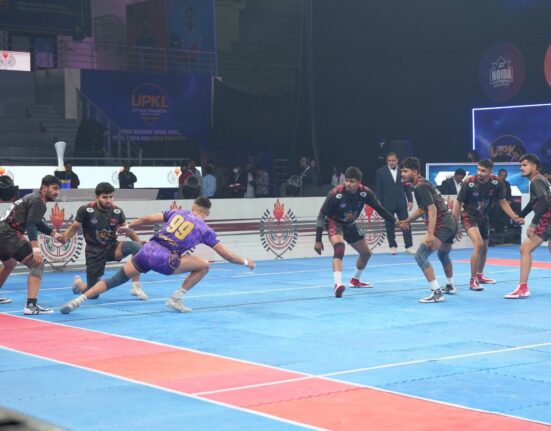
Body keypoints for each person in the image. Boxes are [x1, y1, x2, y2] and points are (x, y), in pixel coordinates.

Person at [60, 196, 255, 314]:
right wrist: (246, 261)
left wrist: (128, 227)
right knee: (204, 265)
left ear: (193, 207)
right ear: (207, 213)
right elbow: (226, 255)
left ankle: (78, 300)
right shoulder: (205, 229)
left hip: (147, 250)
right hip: (165, 259)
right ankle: (176, 299)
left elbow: (146, 218)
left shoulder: (176, 213)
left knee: (114, 280)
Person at [314, 166, 397, 298]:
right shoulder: (335, 193)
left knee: (366, 254)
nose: (348, 184)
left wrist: (395, 221)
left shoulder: (366, 193)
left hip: (350, 224)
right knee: (339, 248)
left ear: (359, 182)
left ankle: (355, 280)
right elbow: (321, 216)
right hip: (334, 223)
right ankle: (338, 284)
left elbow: (380, 209)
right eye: (347, 180)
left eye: (352, 181)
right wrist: (318, 240)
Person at [61, 182, 148, 300]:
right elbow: (74, 227)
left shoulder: (117, 211)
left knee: (136, 247)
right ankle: (79, 284)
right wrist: (64, 239)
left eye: (111, 197)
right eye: (105, 197)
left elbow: (128, 230)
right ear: (97, 197)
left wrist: (139, 243)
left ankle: (135, 286)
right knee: (93, 294)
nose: (108, 200)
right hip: (94, 252)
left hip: (112, 248)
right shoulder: (85, 210)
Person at [453, 159, 521, 291]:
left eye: (483, 171)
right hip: (469, 216)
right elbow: (458, 203)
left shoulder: (497, 182)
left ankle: (479, 275)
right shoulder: (469, 182)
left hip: (484, 217)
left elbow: (502, 201)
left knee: (484, 248)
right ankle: (472, 280)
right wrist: (455, 224)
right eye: (478, 169)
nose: (479, 173)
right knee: (478, 244)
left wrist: (515, 217)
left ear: (490, 172)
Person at [0, 175, 63, 314]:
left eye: (58, 189)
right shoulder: (38, 201)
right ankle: (31, 305)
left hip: (2, 233)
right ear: (44, 187)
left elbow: (36, 221)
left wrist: (54, 234)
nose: (57, 192)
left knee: (9, 263)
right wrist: (35, 249)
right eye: (54, 188)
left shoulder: (32, 197)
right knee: (37, 264)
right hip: (8, 234)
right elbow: (31, 224)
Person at [398, 157, 458, 303]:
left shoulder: (420, 187)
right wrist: (407, 221)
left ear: (414, 171)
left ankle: (437, 293)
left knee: (420, 256)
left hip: (442, 224)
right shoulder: (423, 182)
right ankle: (450, 285)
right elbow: (422, 208)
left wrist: (430, 234)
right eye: (402, 171)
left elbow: (432, 210)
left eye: (405, 171)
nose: (403, 174)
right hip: (451, 221)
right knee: (443, 254)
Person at [505, 154, 551, 299]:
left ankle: (523, 288)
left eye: (525, 165)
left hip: (547, 220)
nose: (521, 168)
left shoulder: (536, 181)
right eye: (521, 165)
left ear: (534, 166)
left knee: (525, 249)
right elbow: (533, 203)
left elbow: (544, 202)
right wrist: (521, 215)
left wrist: (533, 223)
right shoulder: (539, 179)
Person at [375, 152, 415, 255]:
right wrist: (379, 205)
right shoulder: (380, 172)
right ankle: (392, 246)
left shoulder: (403, 171)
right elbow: (378, 190)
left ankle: (409, 246)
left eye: (393, 160)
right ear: (387, 161)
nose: (391, 162)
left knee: (406, 224)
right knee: (389, 226)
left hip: (401, 202)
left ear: (397, 160)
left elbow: (407, 187)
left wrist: (410, 200)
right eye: (389, 161)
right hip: (387, 204)